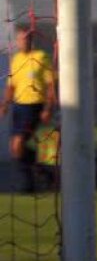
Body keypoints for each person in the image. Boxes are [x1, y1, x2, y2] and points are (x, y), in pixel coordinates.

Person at [3, 24, 57, 194]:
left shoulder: (41, 57)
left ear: (31, 39)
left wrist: (48, 108)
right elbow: (11, 86)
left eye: (26, 38)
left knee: (18, 143)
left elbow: (51, 85)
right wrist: (5, 104)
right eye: (20, 39)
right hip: (18, 107)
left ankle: (27, 185)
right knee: (14, 148)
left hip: (34, 106)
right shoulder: (16, 59)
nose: (23, 42)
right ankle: (43, 173)